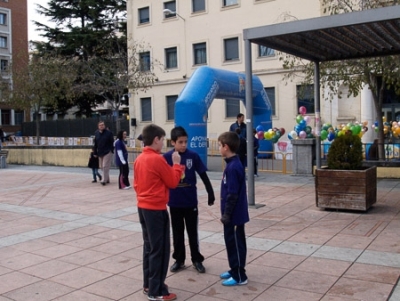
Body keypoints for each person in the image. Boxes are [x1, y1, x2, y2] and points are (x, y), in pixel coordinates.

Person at [134, 124, 182, 301]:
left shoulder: (140, 159)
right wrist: (177, 166)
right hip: (156, 209)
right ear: (156, 139)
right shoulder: (156, 159)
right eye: (162, 140)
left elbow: (137, 185)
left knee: (149, 247)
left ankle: (148, 283)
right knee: (159, 250)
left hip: (143, 207)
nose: (163, 143)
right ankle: (157, 290)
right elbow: (172, 182)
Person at [163, 126, 215, 274]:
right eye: (180, 142)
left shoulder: (193, 156)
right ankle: (179, 259)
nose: (184, 145)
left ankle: (196, 259)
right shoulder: (167, 158)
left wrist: (210, 192)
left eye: (186, 141)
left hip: (190, 202)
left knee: (193, 232)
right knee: (177, 232)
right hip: (174, 202)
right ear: (173, 142)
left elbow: (203, 174)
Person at [217, 131, 250, 286]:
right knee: (231, 242)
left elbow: (232, 194)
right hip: (231, 215)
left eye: (219, 145)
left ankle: (239, 275)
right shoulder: (232, 164)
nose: (218, 148)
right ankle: (234, 268)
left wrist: (227, 214)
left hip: (234, 215)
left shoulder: (233, 167)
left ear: (226, 147)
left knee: (236, 244)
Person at [93, 121, 114, 186]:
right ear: (98, 126)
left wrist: (111, 150)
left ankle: (103, 180)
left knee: (105, 166)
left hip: (107, 151)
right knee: (102, 167)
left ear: (104, 126)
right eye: (100, 125)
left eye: (103, 125)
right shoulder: (96, 133)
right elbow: (95, 143)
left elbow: (112, 141)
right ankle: (107, 179)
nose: (102, 126)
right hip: (100, 152)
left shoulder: (109, 133)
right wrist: (95, 152)